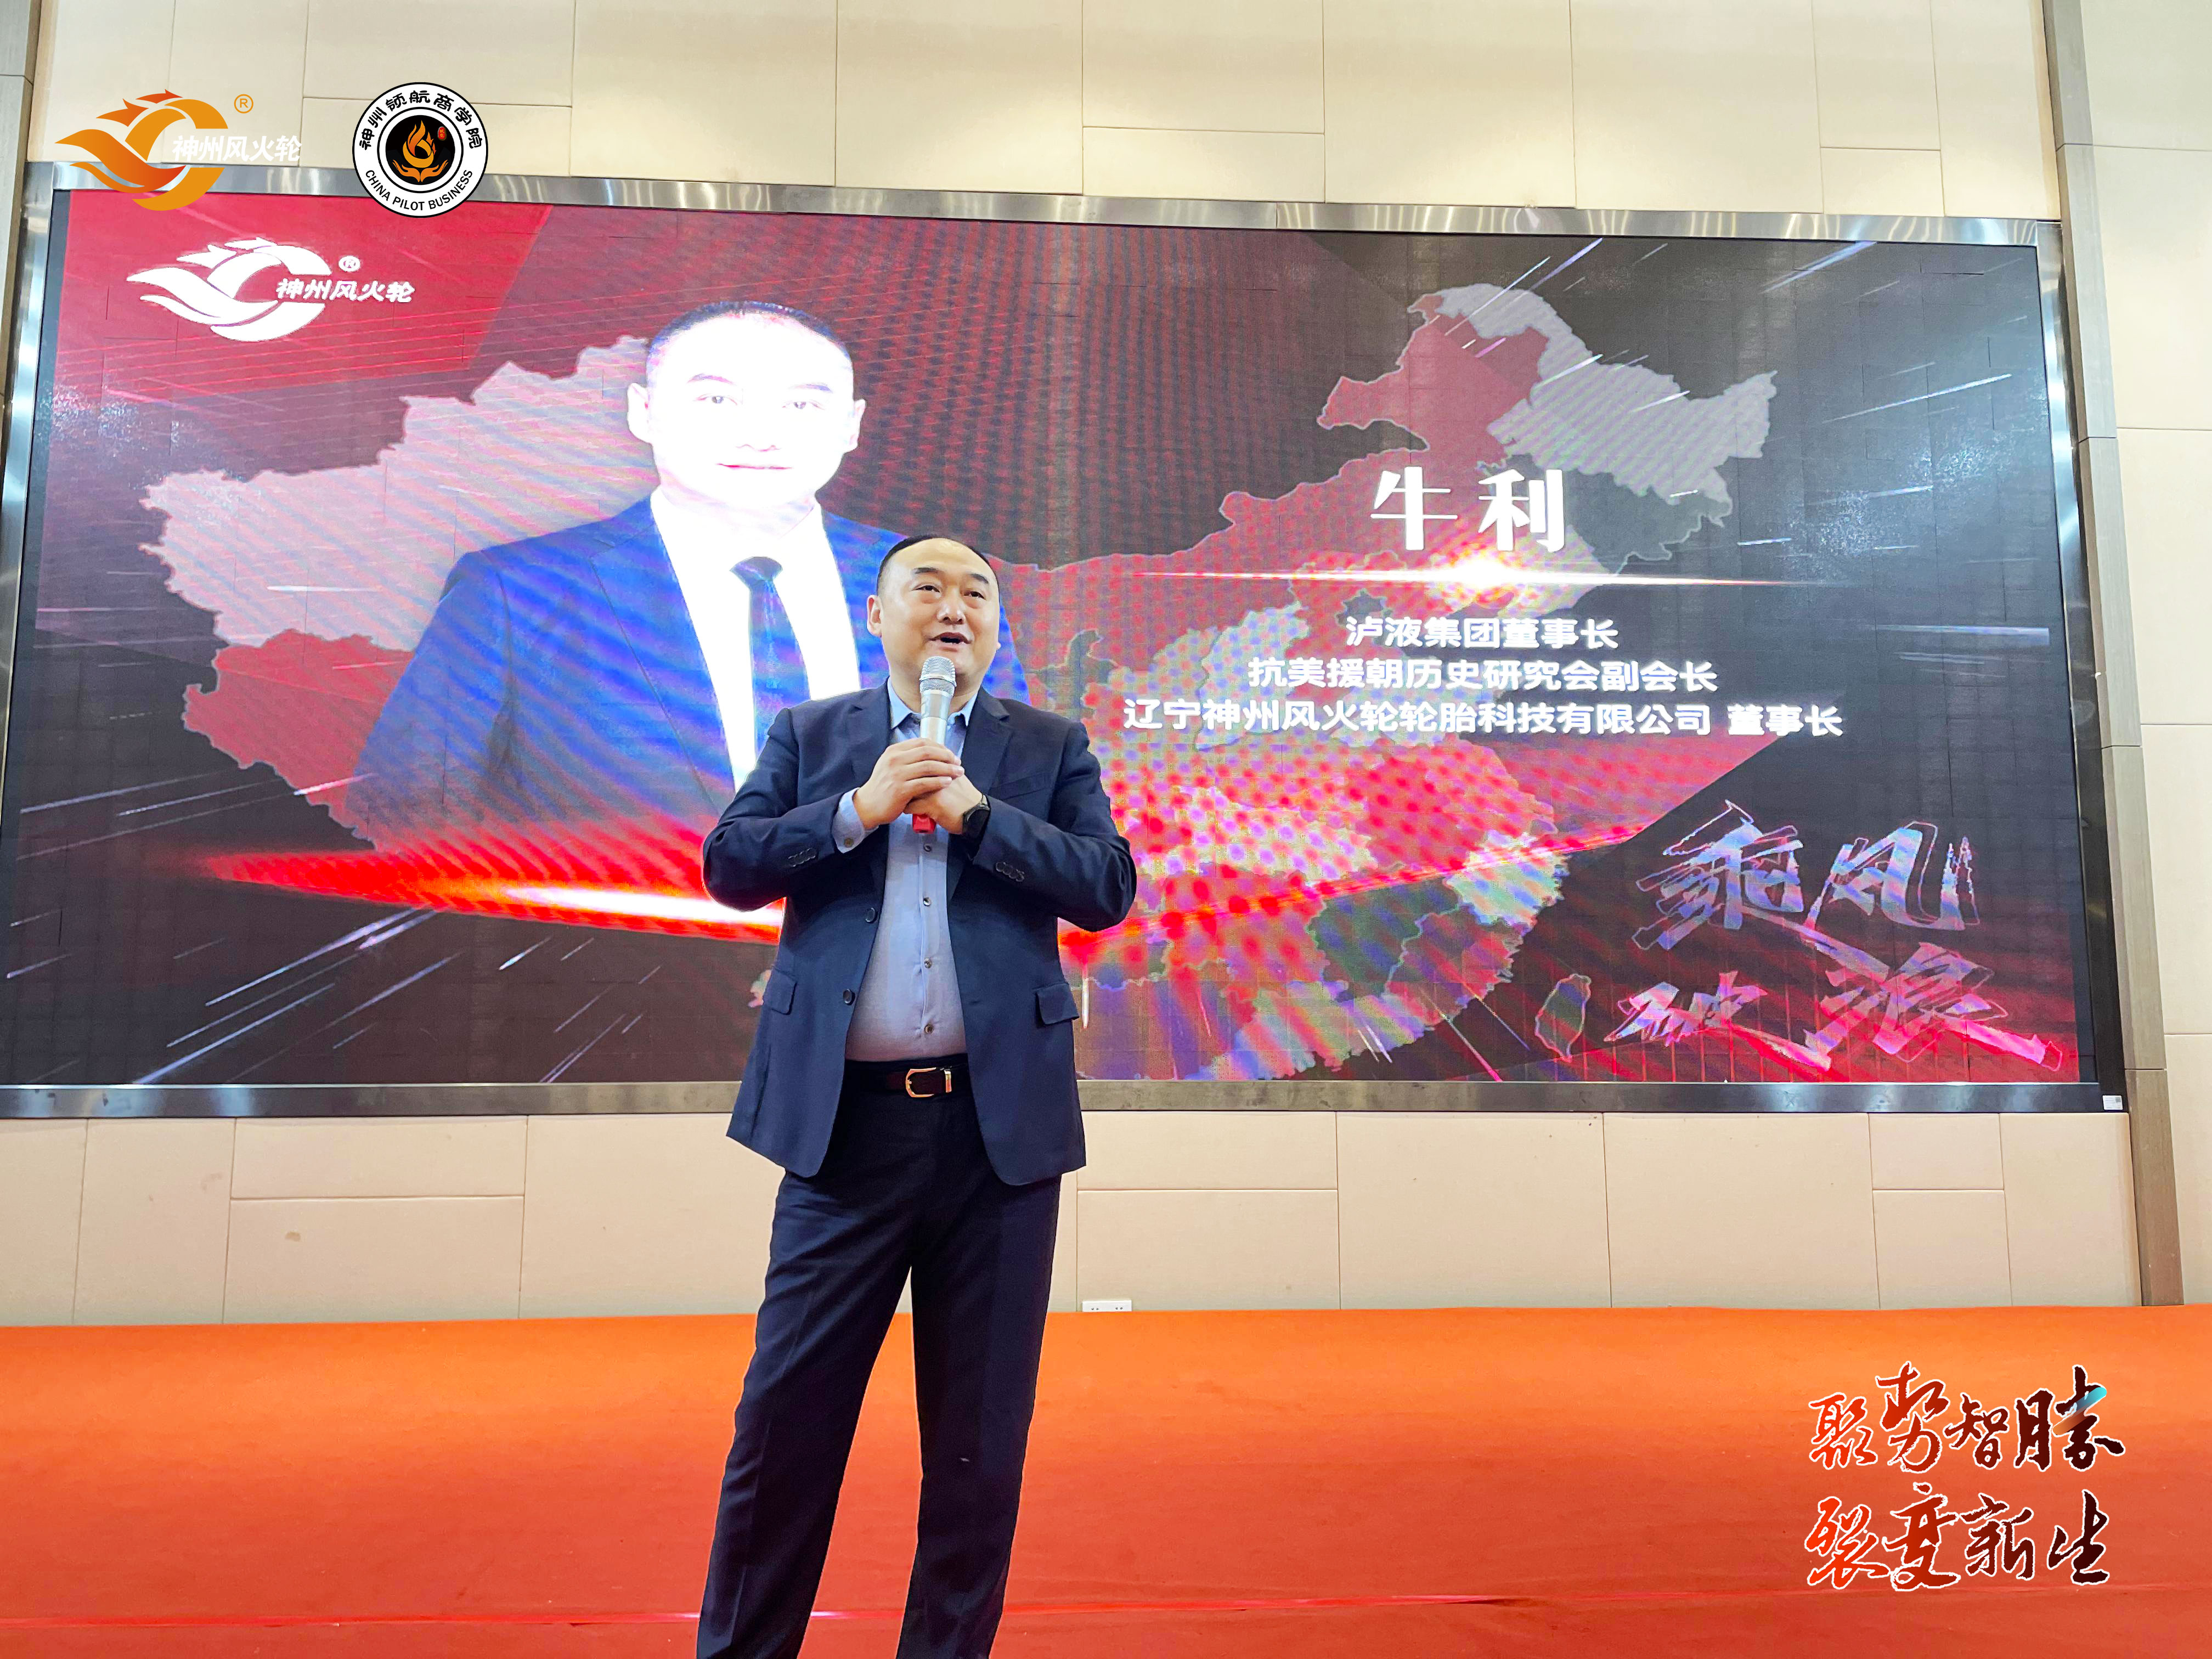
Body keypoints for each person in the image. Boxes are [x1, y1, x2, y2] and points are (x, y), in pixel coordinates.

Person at [695, 535, 1134, 1659]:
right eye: (927, 588)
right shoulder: (812, 736)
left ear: (995, 624)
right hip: (844, 1132)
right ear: (879, 615)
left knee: (979, 1443)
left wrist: (981, 814)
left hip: (997, 1142)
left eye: (976, 591)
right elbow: (731, 864)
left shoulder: (1047, 745)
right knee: (786, 1422)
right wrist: (857, 808)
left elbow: (1107, 886)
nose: (954, 607)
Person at [347, 301, 1029, 847]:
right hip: (617, 965)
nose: (760, 435)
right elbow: (407, 818)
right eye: (716, 401)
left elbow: (1024, 802)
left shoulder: (939, 586)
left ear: (851, 426)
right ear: (642, 412)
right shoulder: (514, 592)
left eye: (801, 405)